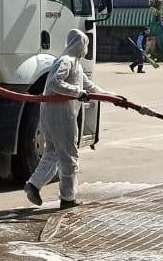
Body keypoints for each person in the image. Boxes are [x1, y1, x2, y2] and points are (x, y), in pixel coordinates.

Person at [25, 29, 115, 211]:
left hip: (54, 114)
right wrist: (78, 93)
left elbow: (89, 86)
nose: (86, 48)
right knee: (69, 156)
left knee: (53, 152)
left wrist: (111, 96)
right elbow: (54, 84)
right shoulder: (66, 61)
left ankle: (33, 185)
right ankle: (68, 198)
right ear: (80, 43)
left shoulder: (76, 65)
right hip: (61, 115)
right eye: (85, 44)